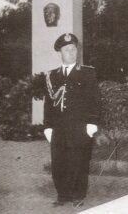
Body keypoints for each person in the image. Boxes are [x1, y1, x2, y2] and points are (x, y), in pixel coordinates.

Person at [43, 33, 101, 208]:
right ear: (59, 53)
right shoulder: (52, 75)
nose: (71, 52)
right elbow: (49, 102)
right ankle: (63, 194)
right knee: (59, 161)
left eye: (74, 49)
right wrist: (47, 126)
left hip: (79, 126)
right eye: (67, 50)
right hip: (59, 128)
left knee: (78, 161)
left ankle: (78, 195)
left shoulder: (87, 73)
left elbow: (95, 99)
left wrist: (92, 123)